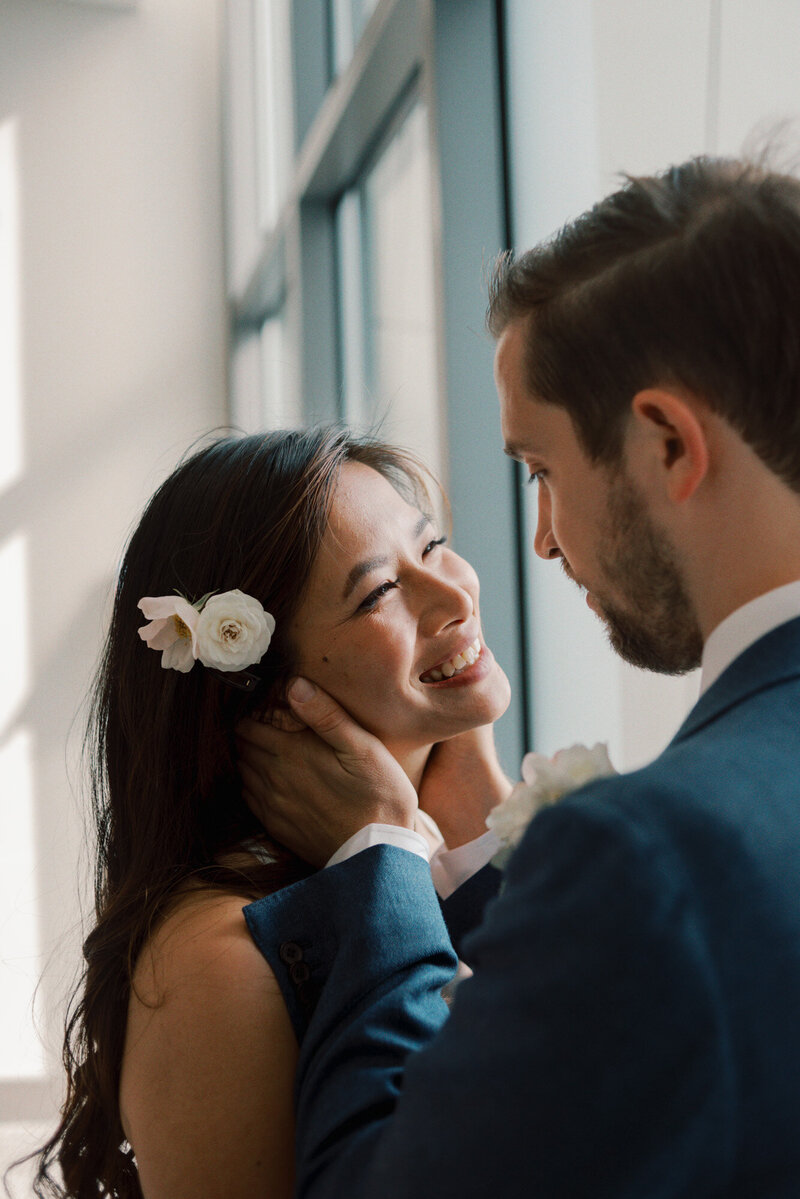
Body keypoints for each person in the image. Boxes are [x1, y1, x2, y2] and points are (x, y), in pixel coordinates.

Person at [238, 155, 800, 1197]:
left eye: (539, 469)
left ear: (667, 442)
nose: (539, 541)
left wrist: (378, 862)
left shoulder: (647, 852)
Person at [31, 426, 511, 1199]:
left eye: (433, 546)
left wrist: (477, 810)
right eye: (381, 592)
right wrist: (385, 844)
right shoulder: (220, 955)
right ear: (265, 689)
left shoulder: (454, 846)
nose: (456, 595)